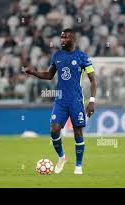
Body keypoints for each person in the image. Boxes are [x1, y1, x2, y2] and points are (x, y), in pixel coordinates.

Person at [24, 28, 97, 174]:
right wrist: (34, 72)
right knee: (54, 129)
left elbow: (93, 80)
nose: (62, 40)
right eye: (61, 37)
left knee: (78, 132)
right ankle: (62, 157)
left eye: (66, 37)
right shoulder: (57, 56)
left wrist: (92, 101)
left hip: (76, 101)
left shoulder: (83, 57)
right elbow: (49, 75)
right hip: (60, 101)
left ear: (73, 39)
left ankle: (78, 166)